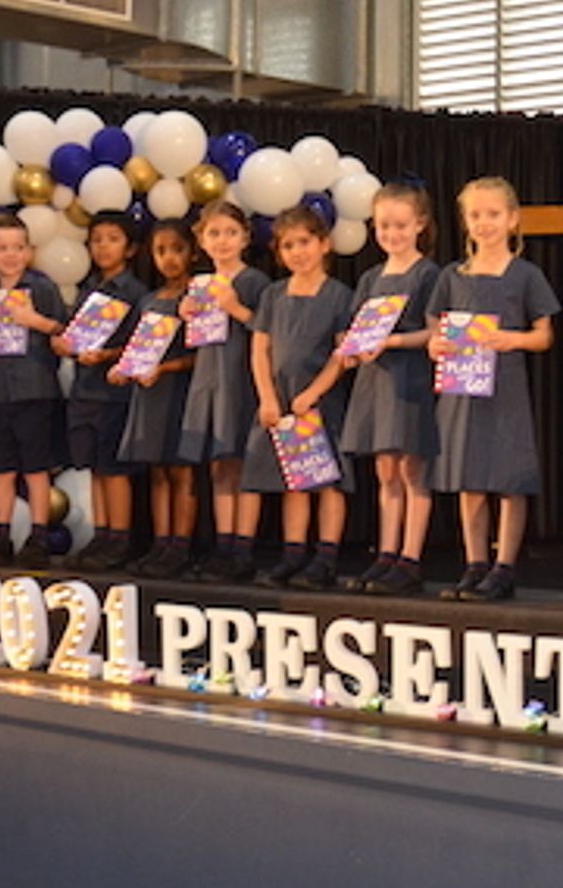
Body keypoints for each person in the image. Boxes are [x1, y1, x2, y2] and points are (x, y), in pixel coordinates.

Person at [428, 177, 559, 603]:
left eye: (493, 214)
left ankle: (504, 567)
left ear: (512, 219)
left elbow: (544, 335)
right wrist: (436, 346)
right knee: (469, 478)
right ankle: (475, 563)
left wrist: (511, 339)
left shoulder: (525, 275)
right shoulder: (451, 276)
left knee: (509, 477)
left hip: (506, 389)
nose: (484, 223)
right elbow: (435, 330)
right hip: (463, 391)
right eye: (475, 215)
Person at [336, 182, 442, 596]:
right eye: (384, 226)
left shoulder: (428, 274)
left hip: (409, 379)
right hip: (375, 381)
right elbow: (354, 327)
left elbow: (434, 333)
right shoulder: (370, 278)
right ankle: (386, 553)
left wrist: (392, 341)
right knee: (386, 470)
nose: (392, 233)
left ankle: (410, 557)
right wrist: (349, 348)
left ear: (419, 224)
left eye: (400, 225)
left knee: (412, 468)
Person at [242, 207, 355, 590]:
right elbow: (260, 350)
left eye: (304, 242)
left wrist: (314, 393)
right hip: (281, 400)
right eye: (288, 246)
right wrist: (267, 397)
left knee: (327, 479)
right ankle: (293, 554)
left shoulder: (339, 296)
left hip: (319, 400)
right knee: (294, 479)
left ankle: (325, 558)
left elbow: (342, 354)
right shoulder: (273, 295)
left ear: (324, 244)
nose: (297, 252)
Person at [179, 200, 268, 582]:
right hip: (209, 378)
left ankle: (243, 548)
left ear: (245, 238)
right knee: (219, 465)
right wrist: (187, 313)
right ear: (201, 240)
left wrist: (235, 308)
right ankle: (224, 544)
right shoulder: (200, 284)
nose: (222, 240)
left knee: (242, 464)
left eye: (230, 232)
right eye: (214, 233)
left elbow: (268, 329)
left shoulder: (254, 282)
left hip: (241, 379)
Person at [0, 213, 66, 567]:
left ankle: (38, 535)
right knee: (3, 467)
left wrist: (33, 321)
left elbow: (64, 331)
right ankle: (2, 535)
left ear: (29, 251)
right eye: (2, 248)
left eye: (18, 247)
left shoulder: (41, 288)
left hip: (35, 389)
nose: (11, 255)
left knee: (36, 466)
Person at [61, 211, 149, 572]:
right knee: (94, 468)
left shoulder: (135, 293)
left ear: (130, 248)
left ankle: (120, 538)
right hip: (85, 390)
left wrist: (108, 355)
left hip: (115, 393)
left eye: (113, 239)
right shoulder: (89, 290)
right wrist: (65, 345)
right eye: (97, 240)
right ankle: (101, 534)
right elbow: (73, 336)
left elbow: (142, 344)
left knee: (114, 469)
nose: (103, 247)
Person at [119, 219, 201, 579]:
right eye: (161, 251)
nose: (169, 258)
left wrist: (165, 368)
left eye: (177, 249)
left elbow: (201, 355)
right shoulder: (149, 301)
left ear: (192, 252)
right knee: (157, 471)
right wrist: (124, 368)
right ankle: (160, 542)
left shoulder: (197, 297)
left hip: (179, 390)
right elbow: (138, 348)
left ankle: (181, 545)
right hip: (149, 394)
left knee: (181, 470)